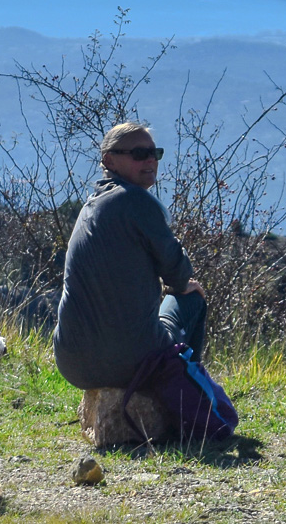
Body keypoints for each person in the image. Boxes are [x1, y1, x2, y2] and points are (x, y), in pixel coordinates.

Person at [53, 122, 208, 391]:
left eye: (154, 153)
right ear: (108, 160)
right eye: (138, 153)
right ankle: (187, 396)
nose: (150, 159)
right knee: (192, 298)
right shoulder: (136, 201)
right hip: (131, 364)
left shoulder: (90, 207)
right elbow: (179, 274)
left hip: (72, 363)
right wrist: (179, 284)